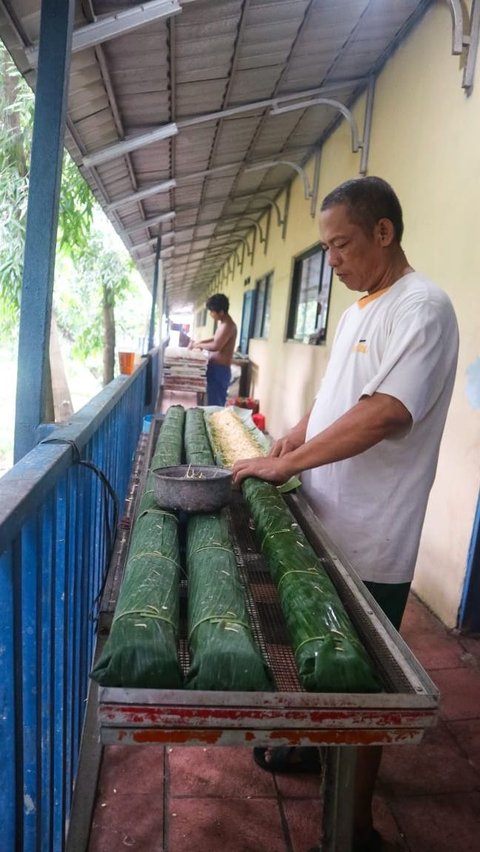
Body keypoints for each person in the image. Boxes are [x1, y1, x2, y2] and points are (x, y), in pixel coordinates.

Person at [232, 176, 459, 852]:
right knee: (321, 653)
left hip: (373, 536)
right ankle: (309, 748)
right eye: (325, 249)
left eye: (341, 245)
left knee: (366, 691)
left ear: (383, 233)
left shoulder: (423, 309)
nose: (331, 262)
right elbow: (343, 396)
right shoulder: (363, 309)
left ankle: (355, 829)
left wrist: (285, 467)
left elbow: (387, 412)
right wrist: (299, 433)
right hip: (328, 519)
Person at [189, 293, 237, 406]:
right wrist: (199, 342)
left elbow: (216, 346)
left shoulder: (228, 326)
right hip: (215, 369)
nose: (211, 314)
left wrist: (199, 346)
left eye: (212, 312)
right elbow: (215, 338)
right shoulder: (222, 324)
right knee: (210, 403)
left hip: (220, 371)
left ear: (221, 312)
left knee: (216, 406)